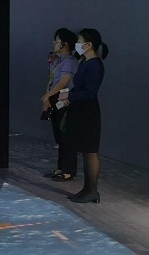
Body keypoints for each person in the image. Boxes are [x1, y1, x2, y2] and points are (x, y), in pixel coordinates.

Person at [59, 28, 108, 204]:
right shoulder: (85, 62)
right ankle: (87, 189)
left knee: (90, 151)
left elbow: (90, 92)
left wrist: (70, 96)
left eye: (80, 41)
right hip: (80, 110)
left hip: (88, 112)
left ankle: (92, 190)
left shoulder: (95, 65)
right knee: (86, 151)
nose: (77, 44)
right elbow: (79, 87)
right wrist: (68, 96)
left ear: (89, 44)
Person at [41, 28, 79, 181]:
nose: (54, 44)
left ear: (65, 44)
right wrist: (48, 97)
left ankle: (68, 170)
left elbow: (64, 82)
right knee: (60, 136)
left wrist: (48, 95)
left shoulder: (70, 62)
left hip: (65, 98)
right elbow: (52, 80)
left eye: (56, 41)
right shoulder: (58, 60)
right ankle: (60, 168)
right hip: (56, 98)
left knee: (66, 135)